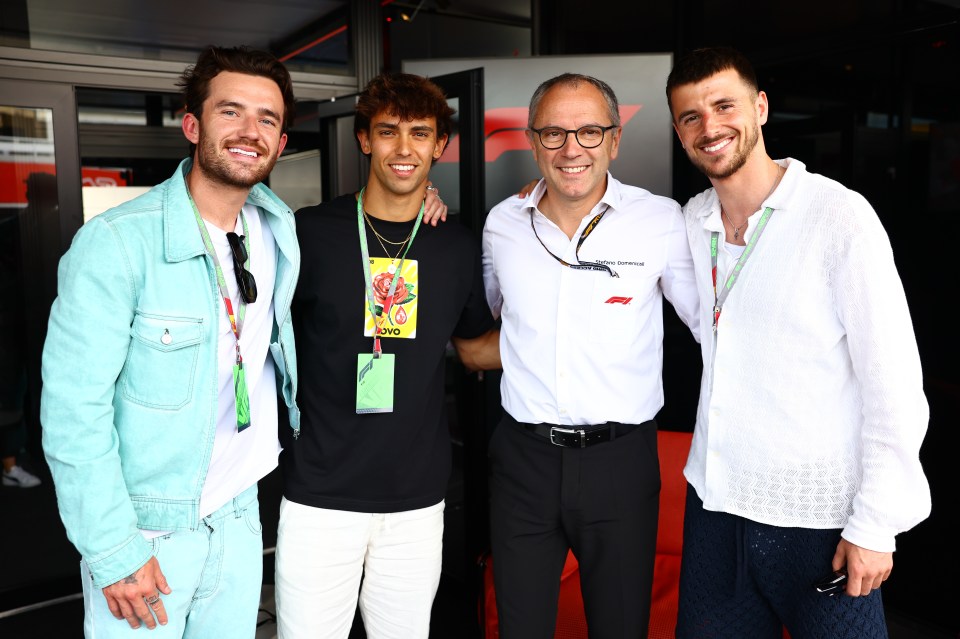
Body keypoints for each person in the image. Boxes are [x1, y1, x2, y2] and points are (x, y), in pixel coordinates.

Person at [665, 46, 931, 638]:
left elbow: (893, 383)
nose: (710, 127)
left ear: (760, 108)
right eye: (690, 116)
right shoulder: (690, 221)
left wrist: (875, 524)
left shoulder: (838, 216)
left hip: (819, 518)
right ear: (679, 132)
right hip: (715, 506)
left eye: (724, 105)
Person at [40, 45, 300, 637]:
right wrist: (113, 551)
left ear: (281, 143)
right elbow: (73, 412)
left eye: (268, 119)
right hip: (147, 532)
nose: (249, 132)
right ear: (192, 124)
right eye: (230, 112)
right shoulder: (115, 244)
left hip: (239, 515)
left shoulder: (278, 228)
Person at [274, 72, 498, 639]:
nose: (404, 148)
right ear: (364, 139)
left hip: (416, 504)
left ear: (439, 146)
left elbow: (475, 351)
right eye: (389, 131)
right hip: (320, 498)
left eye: (420, 133)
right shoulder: (308, 234)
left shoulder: (455, 244)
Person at [482, 73, 700, 638]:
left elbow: (710, 324)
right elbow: (491, 320)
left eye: (588, 131)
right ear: (532, 141)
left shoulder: (660, 220)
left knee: (620, 626)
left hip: (619, 462)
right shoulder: (501, 225)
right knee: (519, 627)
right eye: (553, 133)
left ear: (615, 139)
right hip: (522, 462)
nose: (571, 148)